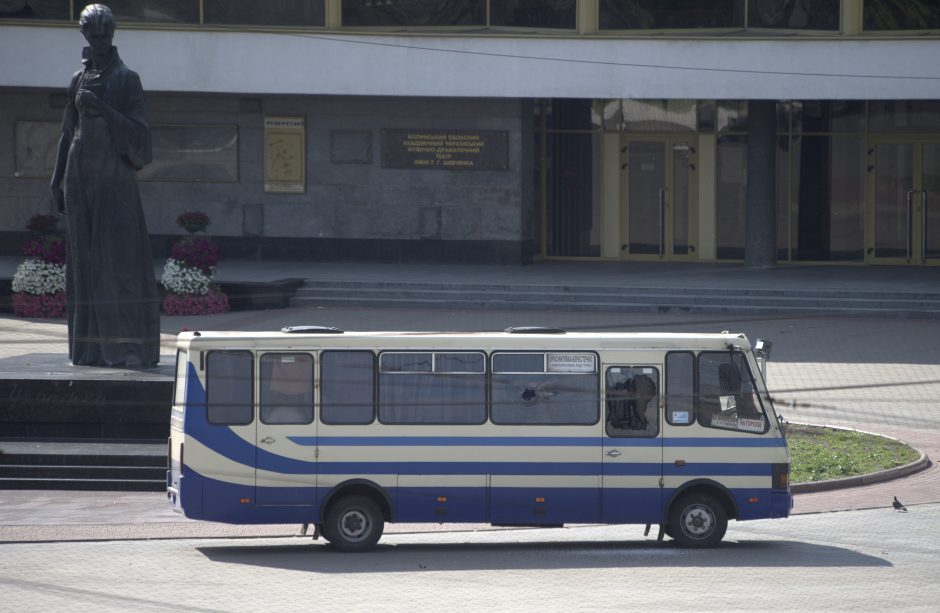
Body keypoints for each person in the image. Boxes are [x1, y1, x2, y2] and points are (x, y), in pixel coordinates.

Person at [49, 4, 160, 367]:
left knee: (119, 263)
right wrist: (56, 181)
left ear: (113, 34)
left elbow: (141, 134)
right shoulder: (76, 79)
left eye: (104, 33)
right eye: (92, 34)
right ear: (84, 35)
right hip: (80, 177)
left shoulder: (127, 78)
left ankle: (126, 348)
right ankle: (89, 347)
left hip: (114, 178)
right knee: (85, 262)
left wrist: (103, 107)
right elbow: (68, 133)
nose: (98, 40)